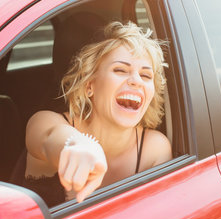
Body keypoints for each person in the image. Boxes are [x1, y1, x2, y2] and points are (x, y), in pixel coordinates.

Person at [23, 21, 172, 206]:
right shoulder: (46, 120)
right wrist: (78, 145)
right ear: (89, 85)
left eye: (146, 76)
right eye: (120, 70)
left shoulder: (155, 148)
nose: (136, 81)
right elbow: (50, 138)